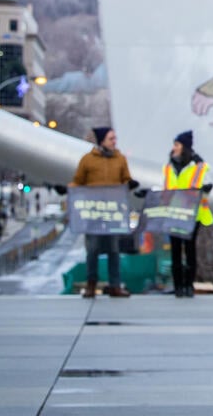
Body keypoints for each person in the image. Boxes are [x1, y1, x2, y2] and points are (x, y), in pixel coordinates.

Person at [71, 126, 136, 298]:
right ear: (102, 141)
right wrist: (66, 190)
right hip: (94, 211)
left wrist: (130, 184)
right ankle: (91, 284)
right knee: (92, 249)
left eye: (115, 139)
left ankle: (115, 284)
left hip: (112, 212)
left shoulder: (120, 159)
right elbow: (78, 182)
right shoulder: (87, 160)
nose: (114, 142)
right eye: (111, 139)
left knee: (114, 249)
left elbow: (125, 179)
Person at [164, 130, 213, 298]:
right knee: (175, 251)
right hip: (174, 212)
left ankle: (188, 285)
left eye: (177, 145)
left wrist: (206, 188)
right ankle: (178, 285)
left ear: (184, 147)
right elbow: (166, 187)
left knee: (190, 249)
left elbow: (207, 183)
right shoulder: (169, 166)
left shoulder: (199, 166)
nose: (174, 148)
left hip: (193, 213)